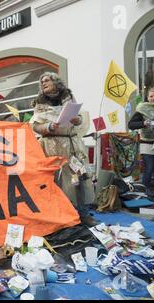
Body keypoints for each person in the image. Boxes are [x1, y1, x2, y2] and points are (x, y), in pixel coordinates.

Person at [30, 72, 96, 226]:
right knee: (55, 184)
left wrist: (76, 119)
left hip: (72, 148)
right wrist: (48, 126)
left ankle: (83, 214)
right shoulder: (39, 102)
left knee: (78, 180)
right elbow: (34, 125)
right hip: (51, 149)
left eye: (47, 80)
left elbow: (80, 118)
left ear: (56, 82)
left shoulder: (68, 97)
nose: (43, 83)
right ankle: (60, 217)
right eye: (42, 82)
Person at [128, 87, 154, 205]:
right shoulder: (142, 108)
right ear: (147, 97)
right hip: (147, 143)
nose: (153, 98)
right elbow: (131, 124)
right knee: (149, 168)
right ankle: (145, 194)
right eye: (151, 96)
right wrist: (143, 123)